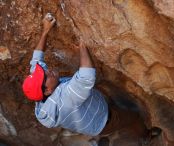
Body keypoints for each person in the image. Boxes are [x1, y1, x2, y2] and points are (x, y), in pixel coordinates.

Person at [22, 14, 160, 142]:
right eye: (45, 76)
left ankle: (103, 137)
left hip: (90, 115)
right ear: (47, 91)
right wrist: (83, 45)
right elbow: (87, 76)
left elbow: (36, 59)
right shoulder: (64, 100)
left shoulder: (41, 91)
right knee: (133, 117)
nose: (48, 71)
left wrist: (45, 30)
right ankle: (145, 136)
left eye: (43, 72)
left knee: (99, 100)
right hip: (104, 121)